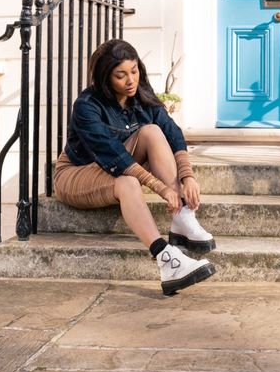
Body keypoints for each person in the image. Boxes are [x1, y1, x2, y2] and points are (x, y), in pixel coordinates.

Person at [54, 39, 216, 296]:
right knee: (128, 181)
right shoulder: (87, 106)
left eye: (134, 71)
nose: (130, 80)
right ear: (105, 77)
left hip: (113, 166)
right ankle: (167, 260)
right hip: (77, 172)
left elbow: (172, 132)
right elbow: (114, 155)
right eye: (121, 75)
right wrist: (160, 188)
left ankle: (182, 217)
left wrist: (188, 177)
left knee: (152, 130)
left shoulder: (141, 97)